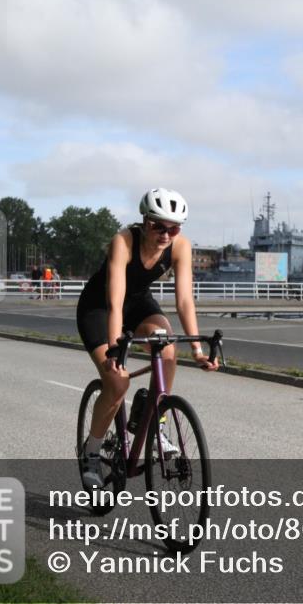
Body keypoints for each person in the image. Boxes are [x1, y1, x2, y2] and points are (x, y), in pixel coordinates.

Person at [76, 188, 218, 488]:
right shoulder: (124, 241)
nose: (166, 235)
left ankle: (151, 419)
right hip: (100, 307)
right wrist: (116, 350)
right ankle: (91, 450)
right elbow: (115, 302)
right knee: (118, 381)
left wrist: (195, 348)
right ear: (145, 220)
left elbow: (184, 302)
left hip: (139, 303)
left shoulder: (180, 247)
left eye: (174, 228)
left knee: (167, 348)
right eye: (158, 226)